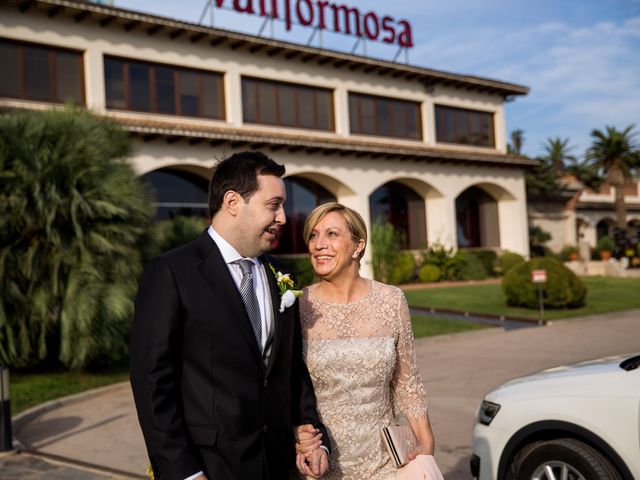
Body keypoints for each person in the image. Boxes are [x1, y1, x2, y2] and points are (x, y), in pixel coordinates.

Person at [130, 151, 329, 480]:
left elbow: (292, 369)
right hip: (210, 466)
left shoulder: (282, 275)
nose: (282, 217)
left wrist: (310, 432)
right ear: (233, 202)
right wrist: (184, 473)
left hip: (278, 464)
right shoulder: (171, 273)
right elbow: (153, 383)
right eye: (273, 204)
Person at [294, 203, 436, 480]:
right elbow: (283, 389)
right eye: (313, 235)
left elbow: (407, 381)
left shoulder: (392, 301)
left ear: (358, 246)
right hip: (319, 464)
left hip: (385, 463)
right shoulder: (297, 308)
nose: (319, 245)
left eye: (332, 234)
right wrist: (298, 436)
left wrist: (426, 441)